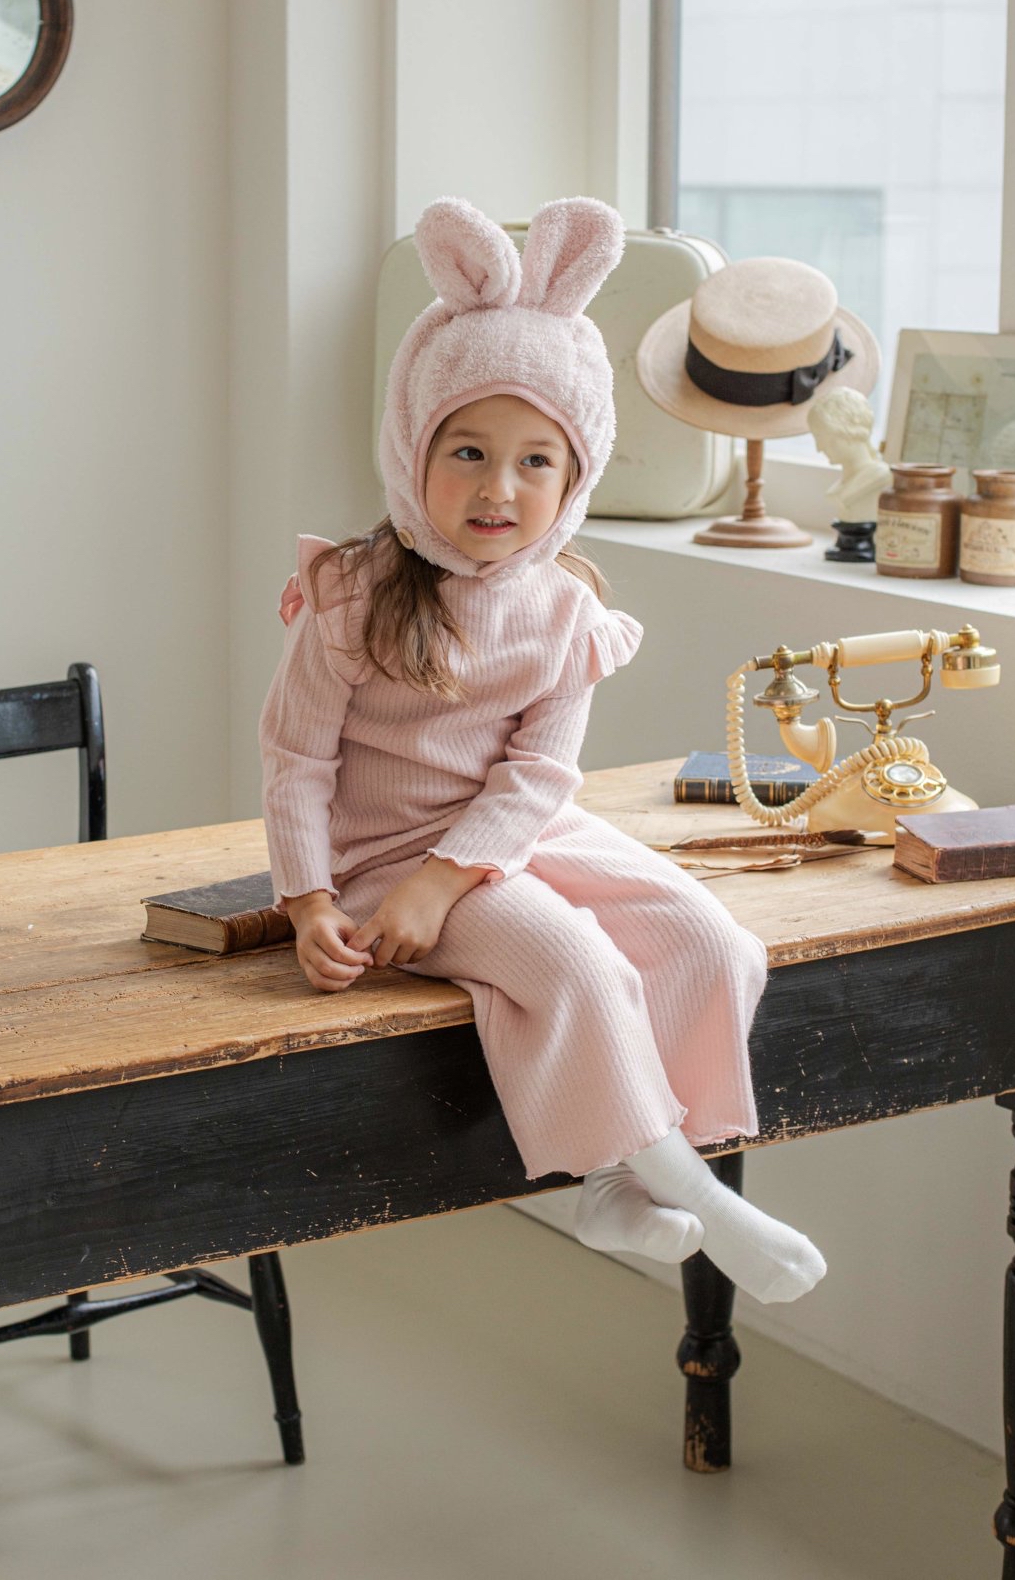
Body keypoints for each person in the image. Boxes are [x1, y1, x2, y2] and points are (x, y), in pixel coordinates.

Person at [259, 194, 826, 1306]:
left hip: (512, 834)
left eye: (535, 461)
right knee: (578, 964)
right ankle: (690, 1195)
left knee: (710, 940)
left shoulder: (568, 609)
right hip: (383, 859)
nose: (497, 488)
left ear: (574, 479)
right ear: (412, 448)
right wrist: (310, 902)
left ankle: (618, 1181)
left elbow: (537, 775)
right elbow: (296, 762)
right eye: (467, 451)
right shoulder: (349, 595)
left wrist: (453, 874)